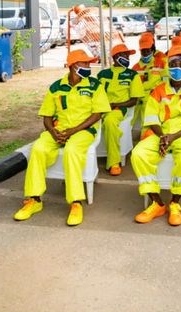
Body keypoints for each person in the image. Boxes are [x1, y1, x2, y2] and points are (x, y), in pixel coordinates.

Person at [13, 49, 111, 226]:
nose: (89, 66)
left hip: (83, 130)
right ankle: (34, 200)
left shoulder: (95, 86)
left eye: (89, 63)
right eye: (85, 63)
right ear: (74, 66)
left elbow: (97, 115)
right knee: (38, 149)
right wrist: (53, 132)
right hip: (58, 130)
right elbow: (47, 116)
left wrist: (73, 131)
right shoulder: (56, 87)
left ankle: (75, 202)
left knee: (72, 151)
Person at [131, 45, 181, 226]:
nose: (177, 68)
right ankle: (157, 203)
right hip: (160, 133)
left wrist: (172, 137)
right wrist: (163, 137)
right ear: (167, 66)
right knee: (139, 154)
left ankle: (175, 203)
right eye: (173, 64)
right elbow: (152, 119)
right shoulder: (158, 91)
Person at [97, 43, 144, 175]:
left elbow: (134, 100)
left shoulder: (132, 75)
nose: (127, 58)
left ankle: (113, 162)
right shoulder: (103, 74)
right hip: (99, 108)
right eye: (124, 55)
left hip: (119, 109)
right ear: (115, 57)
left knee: (110, 121)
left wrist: (114, 105)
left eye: (128, 56)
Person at [132, 32, 167, 128]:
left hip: (155, 95)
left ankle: (146, 135)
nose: (145, 53)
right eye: (143, 51)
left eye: (147, 50)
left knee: (148, 118)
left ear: (152, 49)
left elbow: (165, 81)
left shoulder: (161, 61)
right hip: (138, 97)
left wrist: (155, 90)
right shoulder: (136, 67)